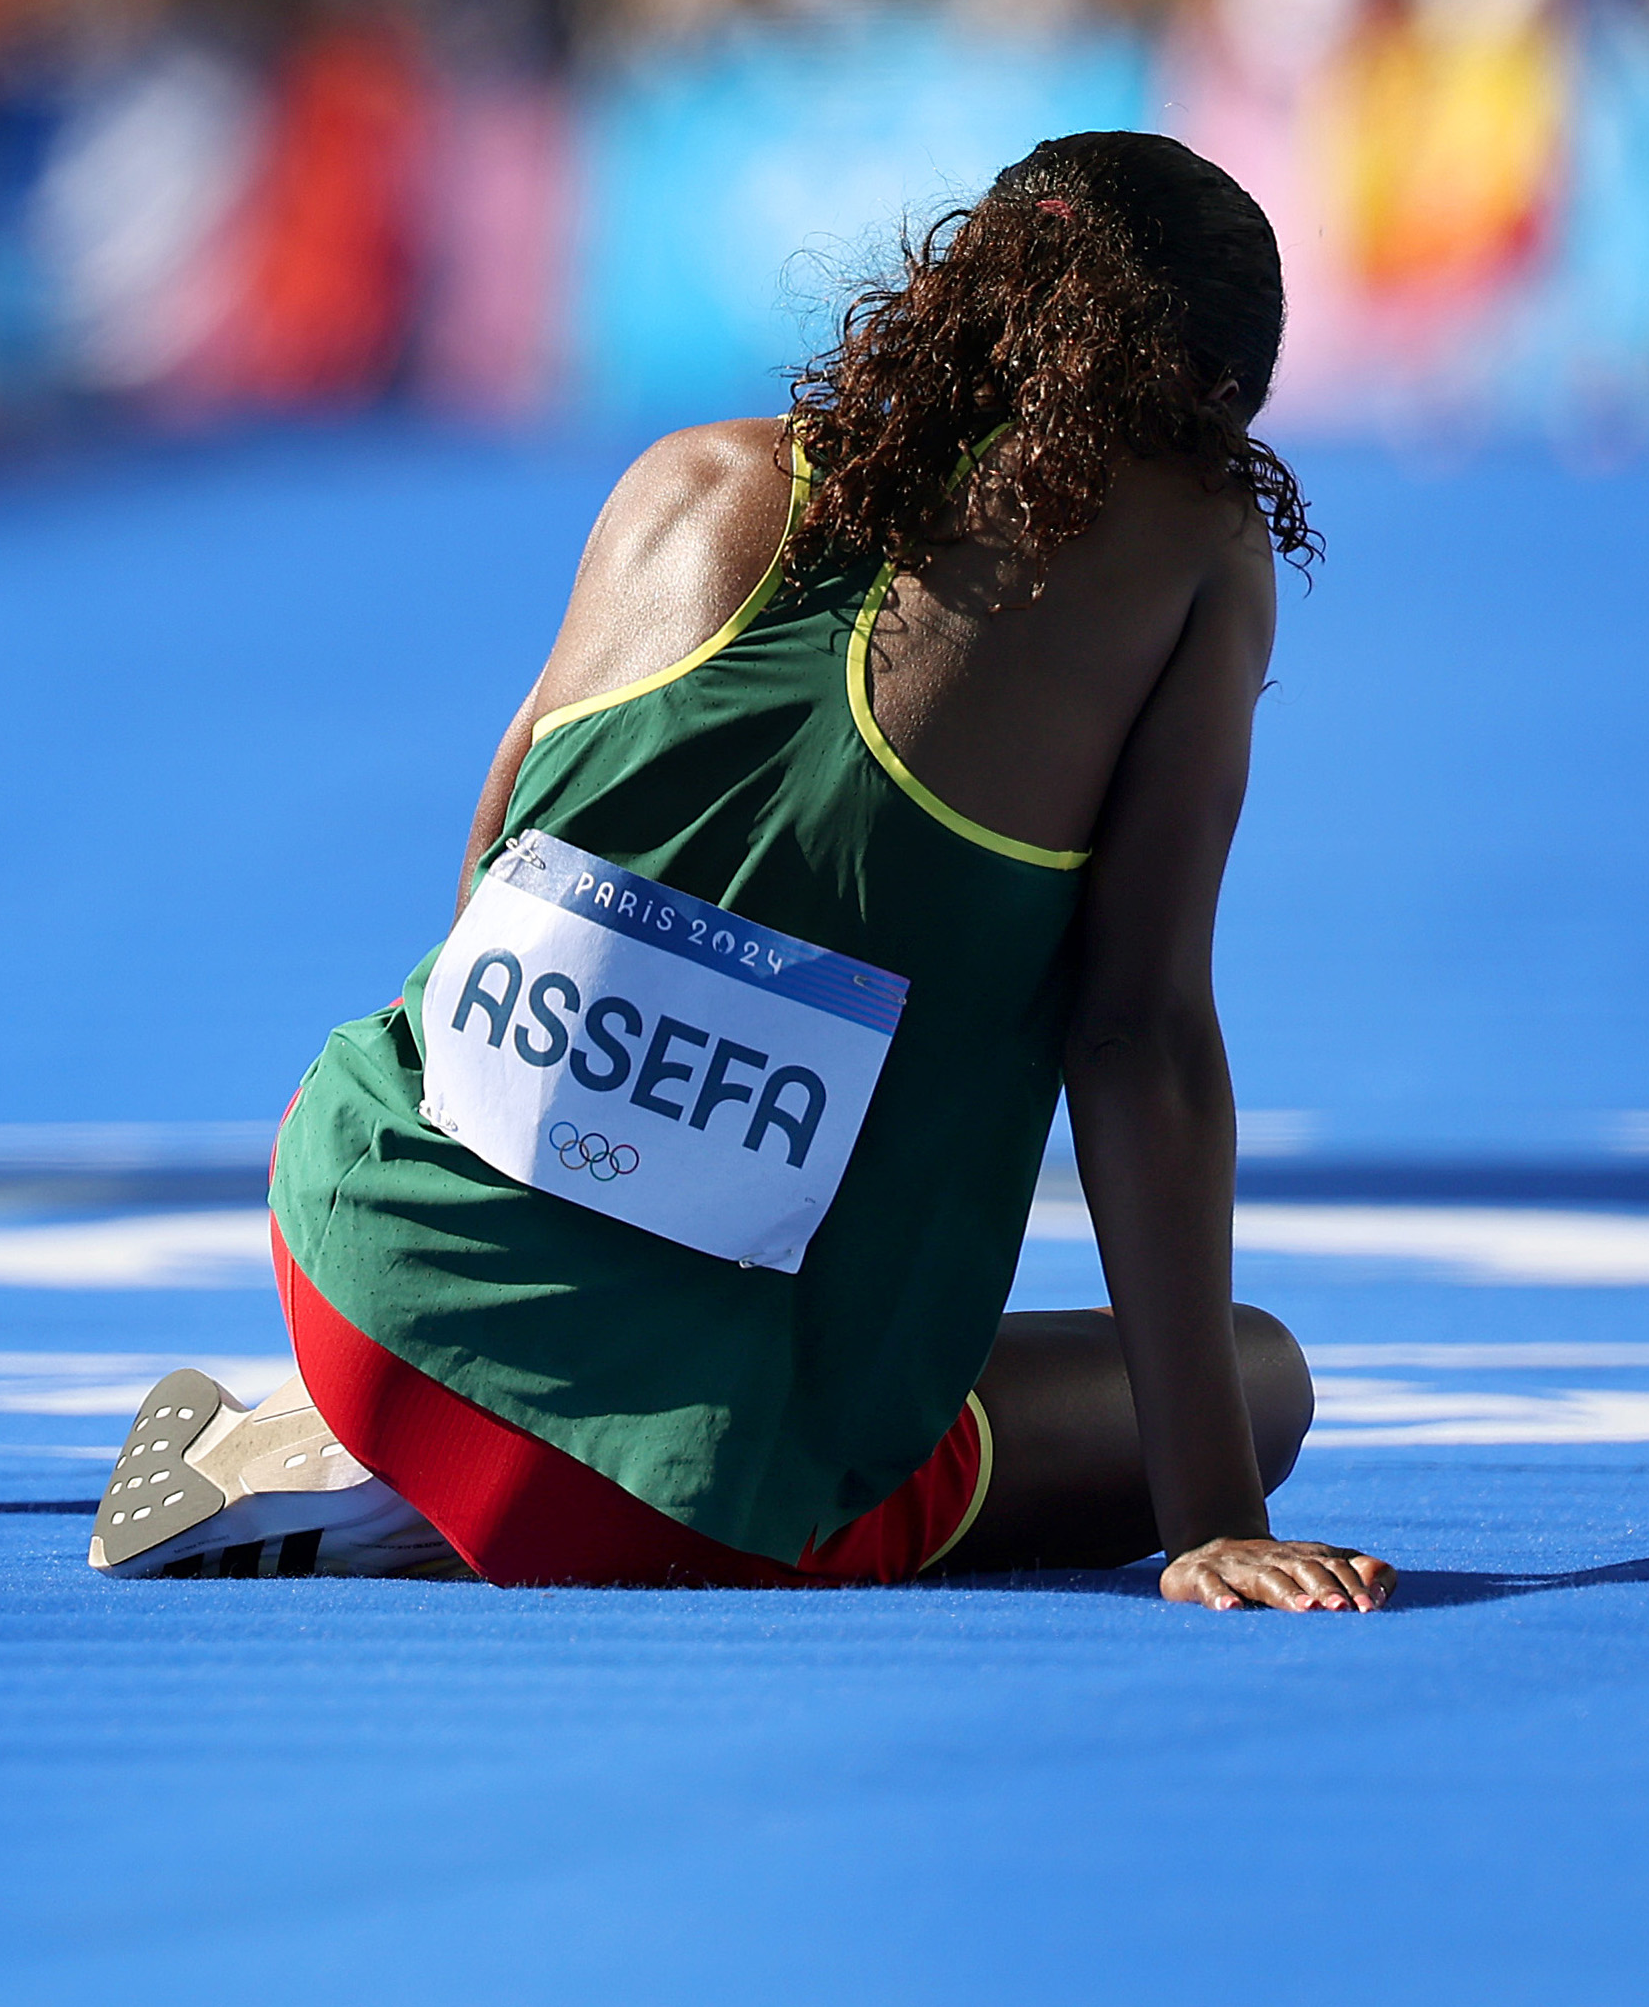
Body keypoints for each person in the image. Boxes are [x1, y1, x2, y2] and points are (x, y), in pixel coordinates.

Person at [94, 131, 1392, 1614]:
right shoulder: (1191, 552)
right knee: (1257, 1377)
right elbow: (1134, 1032)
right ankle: (406, 1499)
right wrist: (1210, 1518)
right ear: (1207, 407)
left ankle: (363, 1447)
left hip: (354, 1267)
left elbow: (489, 875)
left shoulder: (683, 480)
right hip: (672, 1479)